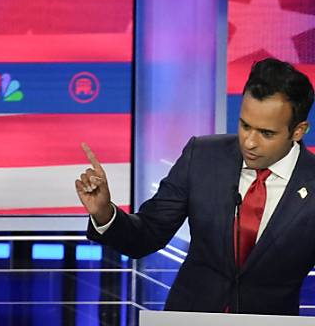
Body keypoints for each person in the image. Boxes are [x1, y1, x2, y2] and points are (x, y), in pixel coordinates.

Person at [76, 57, 315, 314]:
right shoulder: (203, 156)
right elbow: (146, 235)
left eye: (266, 133)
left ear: (298, 131)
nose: (249, 142)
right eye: (245, 126)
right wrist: (104, 213)